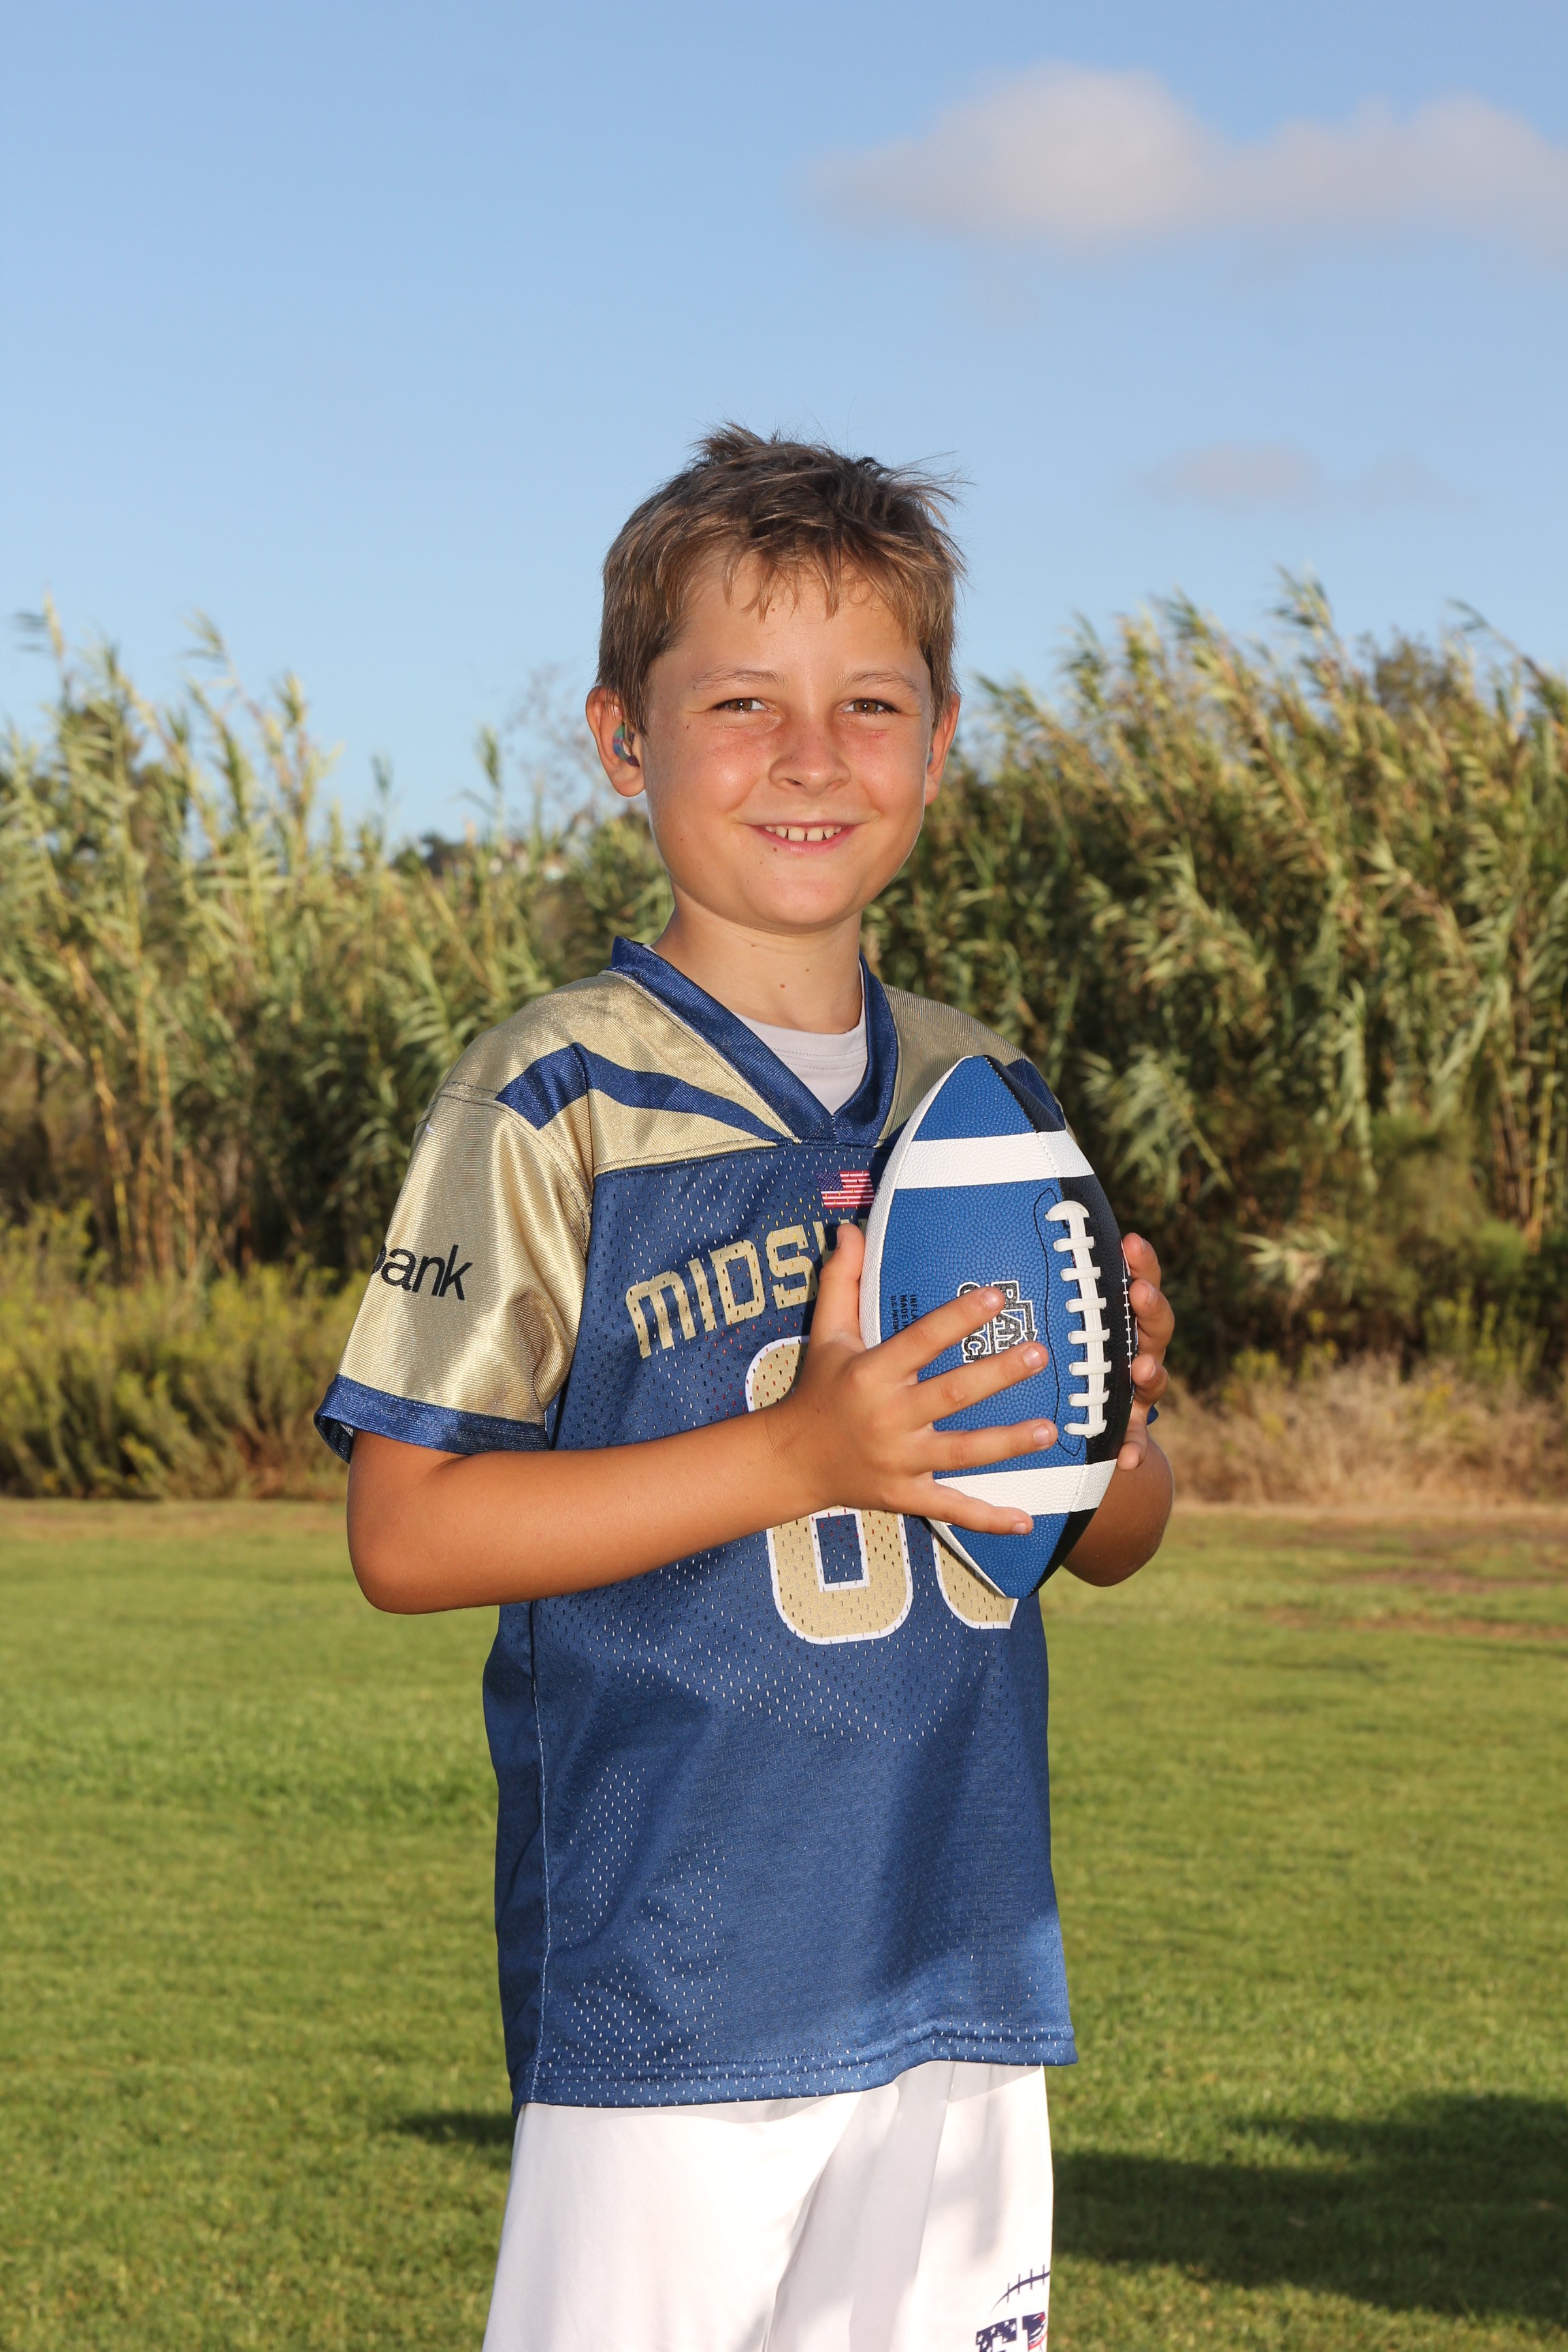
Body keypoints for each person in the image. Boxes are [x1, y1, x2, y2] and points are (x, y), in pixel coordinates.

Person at [316, 426, 1174, 2351]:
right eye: (741, 703)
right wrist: (805, 1453)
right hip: (681, 1980)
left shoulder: (983, 1094)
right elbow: (407, 1535)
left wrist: (1111, 1411)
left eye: (869, 702)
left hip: (961, 1961)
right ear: (623, 739)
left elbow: (1107, 1535)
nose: (810, 755)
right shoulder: (551, 1093)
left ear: (939, 743)